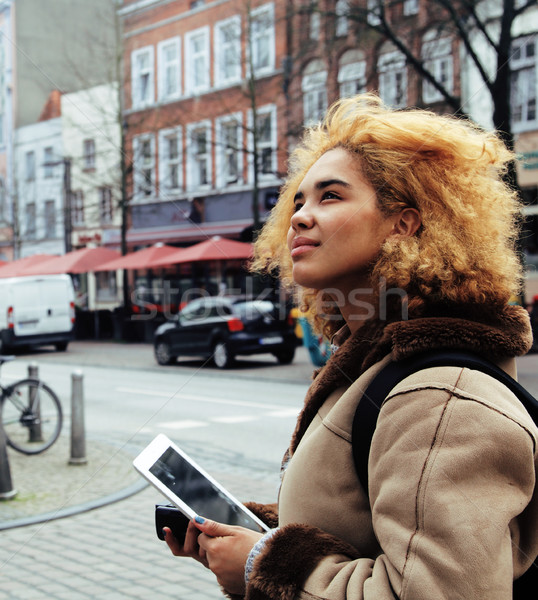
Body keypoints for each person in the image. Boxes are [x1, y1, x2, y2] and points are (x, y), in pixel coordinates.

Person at [164, 94, 538, 599]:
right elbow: (369, 526)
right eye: (298, 200)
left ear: (404, 224)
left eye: (331, 197)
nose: (299, 216)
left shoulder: (438, 397)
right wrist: (254, 531)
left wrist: (261, 563)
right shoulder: (375, 364)